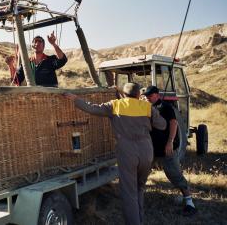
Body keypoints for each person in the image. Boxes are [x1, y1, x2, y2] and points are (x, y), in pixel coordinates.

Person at [64, 83, 166, 225]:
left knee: (129, 192)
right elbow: (162, 125)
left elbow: (92, 108)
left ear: (124, 95)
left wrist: (76, 99)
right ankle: (139, 219)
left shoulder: (116, 105)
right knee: (139, 187)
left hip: (127, 151)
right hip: (146, 151)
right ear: (138, 95)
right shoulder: (147, 107)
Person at [143, 85, 197, 216]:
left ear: (157, 95)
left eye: (150, 96)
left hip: (166, 148)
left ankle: (189, 202)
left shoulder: (166, 107)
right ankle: (138, 197)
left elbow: (174, 124)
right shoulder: (146, 107)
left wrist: (170, 143)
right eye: (146, 96)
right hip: (151, 149)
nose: (148, 98)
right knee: (142, 172)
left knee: (174, 174)